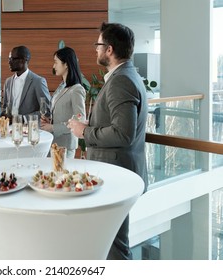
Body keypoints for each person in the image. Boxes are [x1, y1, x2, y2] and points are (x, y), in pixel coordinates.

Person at [68, 22, 148, 260]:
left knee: (115, 246)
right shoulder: (125, 75)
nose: (95, 50)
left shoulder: (122, 80)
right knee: (110, 242)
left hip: (116, 174)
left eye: (98, 45)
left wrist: (85, 132)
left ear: (110, 49)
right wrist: (89, 125)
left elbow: (123, 134)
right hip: (117, 170)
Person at [40, 47, 86, 159]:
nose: (53, 66)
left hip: (65, 145)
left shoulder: (76, 89)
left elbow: (79, 119)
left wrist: (53, 127)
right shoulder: (62, 86)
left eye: (56, 62)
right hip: (54, 143)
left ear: (66, 64)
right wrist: (49, 120)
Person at [1, 45, 50, 120]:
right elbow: (5, 108)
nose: (9, 62)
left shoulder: (38, 81)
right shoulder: (8, 82)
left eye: (12, 59)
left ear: (24, 60)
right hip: (10, 128)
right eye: (9, 59)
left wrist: (23, 119)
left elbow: (46, 110)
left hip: (29, 128)